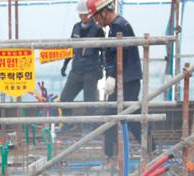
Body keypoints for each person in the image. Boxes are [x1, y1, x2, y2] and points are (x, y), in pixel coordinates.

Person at [87, 0, 153, 158]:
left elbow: (119, 54)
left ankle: (115, 155)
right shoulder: (120, 25)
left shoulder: (118, 27)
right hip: (126, 78)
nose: (96, 21)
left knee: (120, 116)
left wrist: (111, 76)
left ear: (104, 12)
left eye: (96, 17)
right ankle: (149, 150)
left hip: (126, 80)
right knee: (128, 115)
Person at [59, 0, 105, 130]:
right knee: (65, 99)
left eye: (84, 15)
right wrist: (65, 64)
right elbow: (71, 48)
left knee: (90, 102)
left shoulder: (97, 30)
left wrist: (102, 67)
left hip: (91, 71)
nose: (82, 18)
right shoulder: (76, 27)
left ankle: (91, 127)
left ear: (90, 14)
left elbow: (105, 51)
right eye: (80, 15)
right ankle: (68, 123)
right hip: (76, 70)